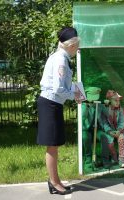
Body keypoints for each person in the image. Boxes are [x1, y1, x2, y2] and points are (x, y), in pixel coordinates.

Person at [37, 27, 80, 195]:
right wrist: (74, 95)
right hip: (50, 103)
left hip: (52, 104)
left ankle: (55, 181)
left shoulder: (60, 58)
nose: (77, 49)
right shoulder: (61, 60)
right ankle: (54, 183)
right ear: (71, 45)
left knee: (54, 145)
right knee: (52, 145)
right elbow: (58, 89)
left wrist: (72, 92)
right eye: (77, 45)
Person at [101, 90, 124, 168]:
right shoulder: (105, 109)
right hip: (109, 130)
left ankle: (122, 159)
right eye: (115, 100)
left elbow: (121, 121)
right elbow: (104, 122)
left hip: (118, 130)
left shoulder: (120, 109)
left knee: (121, 138)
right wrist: (109, 131)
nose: (117, 102)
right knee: (110, 142)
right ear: (109, 100)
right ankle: (114, 156)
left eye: (118, 100)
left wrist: (119, 130)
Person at [82, 87, 105, 170]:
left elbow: (104, 116)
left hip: (96, 128)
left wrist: (105, 104)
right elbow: (82, 118)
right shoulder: (84, 106)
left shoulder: (99, 105)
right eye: (91, 97)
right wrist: (86, 107)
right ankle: (88, 159)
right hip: (86, 129)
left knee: (103, 137)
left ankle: (103, 159)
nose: (93, 100)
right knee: (86, 138)